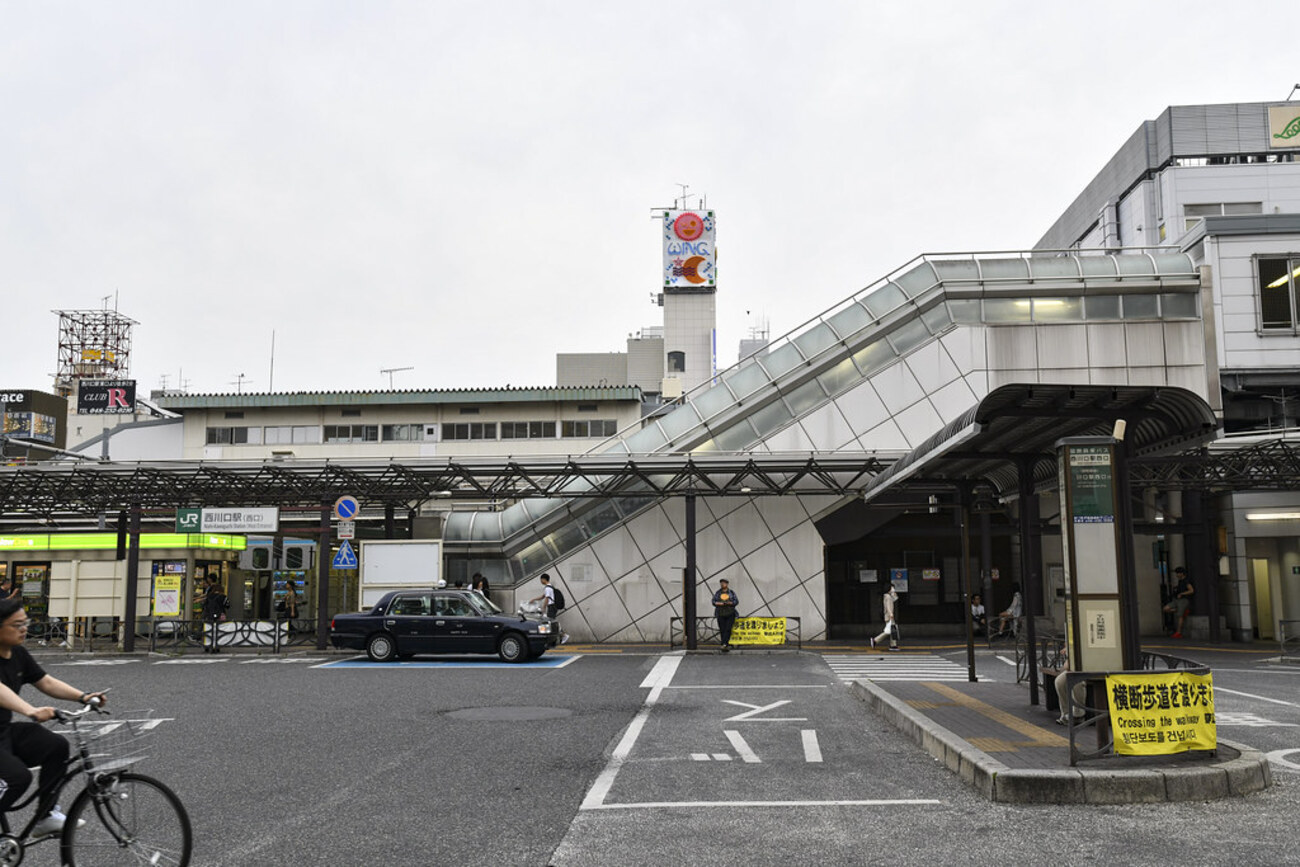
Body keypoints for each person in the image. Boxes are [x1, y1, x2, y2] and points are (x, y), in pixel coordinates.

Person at [0, 598, 108, 840]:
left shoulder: (18, 653)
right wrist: (30, 710)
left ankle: (46, 815)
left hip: (4, 731)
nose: (24, 628)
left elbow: (45, 682)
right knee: (18, 778)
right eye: (16, 624)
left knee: (56, 746)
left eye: (25, 622)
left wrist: (83, 697)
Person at [1163, 566, 1194, 638]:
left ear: (1182, 574)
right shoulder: (1180, 581)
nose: (1176, 575)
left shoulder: (1187, 581)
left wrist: (1182, 594)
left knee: (1180, 616)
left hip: (1184, 600)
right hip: (1177, 599)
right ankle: (1181, 611)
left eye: (1178, 573)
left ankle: (1178, 632)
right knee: (1166, 608)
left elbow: (1191, 590)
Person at [200, 575, 228, 654]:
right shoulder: (223, 596)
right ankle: (217, 646)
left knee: (208, 630)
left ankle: (207, 646)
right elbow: (228, 605)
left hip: (209, 615)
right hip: (220, 615)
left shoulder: (210, 596)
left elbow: (205, 604)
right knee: (219, 631)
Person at [870, 583, 901, 651]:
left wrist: (893, 593)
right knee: (889, 631)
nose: (893, 589)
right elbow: (888, 606)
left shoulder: (888, 596)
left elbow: (895, 599)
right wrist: (891, 614)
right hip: (889, 616)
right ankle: (875, 640)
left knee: (892, 630)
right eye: (892, 588)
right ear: (889, 589)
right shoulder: (887, 597)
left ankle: (893, 645)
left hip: (889, 615)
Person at [711, 579, 739, 652]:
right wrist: (718, 603)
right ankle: (724, 643)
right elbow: (713, 601)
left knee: (728, 628)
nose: (722, 584)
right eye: (721, 583)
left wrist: (730, 603)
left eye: (724, 583)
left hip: (730, 613)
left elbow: (736, 601)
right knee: (722, 629)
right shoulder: (718, 593)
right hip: (720, 613)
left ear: (727, 584)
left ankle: (724, 643)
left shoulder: (731, 592)